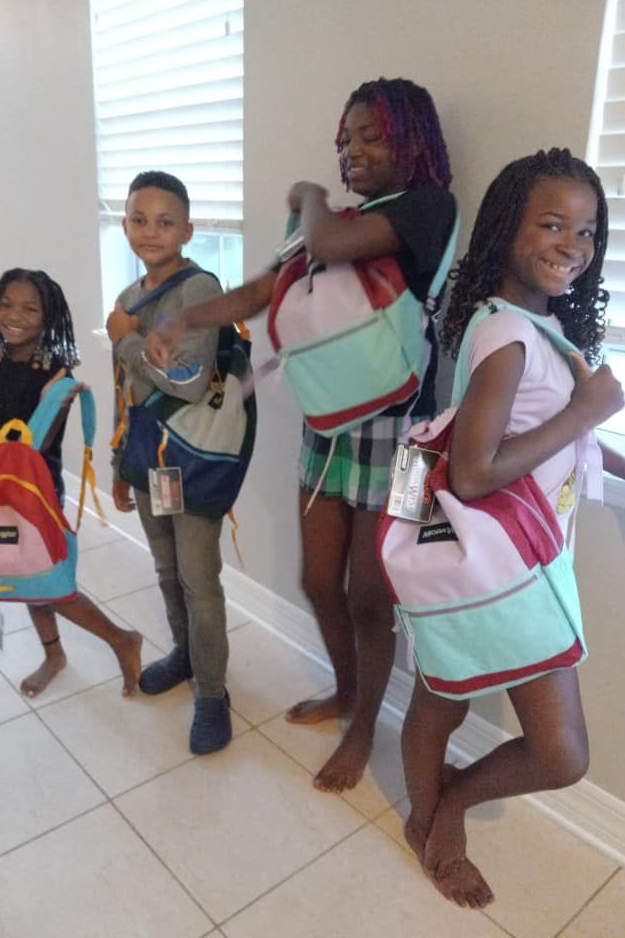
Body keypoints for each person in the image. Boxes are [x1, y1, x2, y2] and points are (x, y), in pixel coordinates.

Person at [144, 77, 456, 790]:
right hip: (329, 422)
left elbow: (328, 237)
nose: (353, 151)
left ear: (414, 138)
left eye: (371, 136)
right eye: (346, 140)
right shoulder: (340, 217)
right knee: (319, 580)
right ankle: (347, 692)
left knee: (375, 597)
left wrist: (307, 195)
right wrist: (183, 319)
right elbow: (261, 293)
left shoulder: (428, 207)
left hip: (408, 436)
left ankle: (365, 727)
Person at [400, 148, 625, 909]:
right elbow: (475, 470)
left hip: (522, 563)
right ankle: (437, 815)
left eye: (585, 232)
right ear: (507, 226)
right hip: (500, 567)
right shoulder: (507, 338)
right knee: (555, 750)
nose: (570, 245)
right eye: (551, 223)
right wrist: (586, 410)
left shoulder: (535, 326)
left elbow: (552, 430)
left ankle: (436, 807)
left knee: (443, 693)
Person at [0, 268, 142, 698]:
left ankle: (121, 639)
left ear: (47, 319)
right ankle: (55, 654)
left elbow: (37, 444)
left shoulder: (56, 373)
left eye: (30, 308)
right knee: (21, 571)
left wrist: (55, 398)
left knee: (50, 581)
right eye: (6, 304)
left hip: (40, 490)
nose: (14, 315)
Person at [106, 170, 233, 755]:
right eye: (138, 218)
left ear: (187, 228)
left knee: (198, 579)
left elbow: (184, 381)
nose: (149, 231)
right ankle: (184, 656)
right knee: (165, 570)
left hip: (193, 459)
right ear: (124, 223)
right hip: (151, 461)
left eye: (164, 221)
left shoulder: (198, 291)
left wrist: (126, 339)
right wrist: (118, 461)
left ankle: (212, 693)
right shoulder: (128, 299)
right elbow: (125, 387)